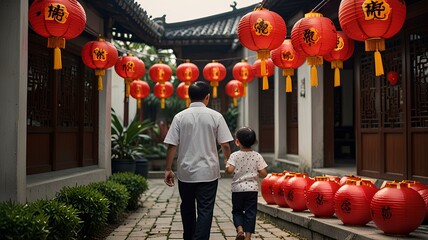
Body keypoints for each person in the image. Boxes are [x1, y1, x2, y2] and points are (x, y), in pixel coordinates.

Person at [163, 81, 233, 240]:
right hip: (208, 172)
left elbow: (172, 145)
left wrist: (168, 169)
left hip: (186, 172)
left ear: (189, 97)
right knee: (205, 210)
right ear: (207, 97)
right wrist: (229, 164)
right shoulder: (216, 116)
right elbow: (225, 145)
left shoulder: (179, 117)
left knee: (187, 208)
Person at [224, 127, 268, 240]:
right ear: (254, 142)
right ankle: (248, 237)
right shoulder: (257, 156)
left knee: (237, 211)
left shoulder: (234, 155)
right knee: (251, 213)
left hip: (237, 189)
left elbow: (229, 171)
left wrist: (227, 165)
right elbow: (264, 173)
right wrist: (257, 174)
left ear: (237, 141)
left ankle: (240, 230)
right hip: (252, 190)